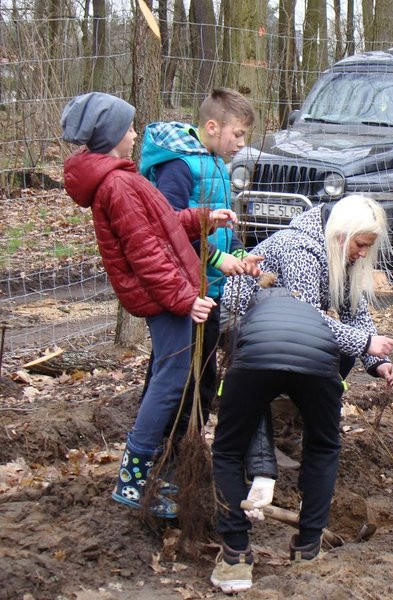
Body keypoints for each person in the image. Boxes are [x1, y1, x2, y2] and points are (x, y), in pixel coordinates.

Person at [61, 92, 237, 517]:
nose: (135, 133)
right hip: (167, 298)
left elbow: (161, 223)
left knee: (170, 376)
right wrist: (184, 299)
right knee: (170, 380)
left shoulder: (122, 178)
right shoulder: (119, 185)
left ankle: (146, 473)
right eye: (128, 127)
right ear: (110, 135)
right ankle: (134, 477)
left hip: (170, 294)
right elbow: (147, 255)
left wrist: (203, 218)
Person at [222, 194, 393, 521]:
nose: (363, 254)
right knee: (307, 356)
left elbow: (355, 314)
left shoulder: (342, 256)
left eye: (367, 248)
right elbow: (307, 320)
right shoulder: (300, 250)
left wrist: (377, 360)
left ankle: (289, 418)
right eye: (360, 245)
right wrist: (365, 342)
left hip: (287, 331)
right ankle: (264, 453)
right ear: (341, 235)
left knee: (344, 348)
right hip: (244, 328)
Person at [139, 88, 262, 443]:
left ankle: (187, 443)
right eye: (237, 134)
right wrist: (214, 258)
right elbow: (168, 229)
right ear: (212, 126)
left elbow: (220, 226)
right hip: (184, 291)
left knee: (205, 373)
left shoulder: (216, 165)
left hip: (209, 288)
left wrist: (237, 254)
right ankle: (167, 448)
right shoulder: (180, 165)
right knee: (181, 375)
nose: (241, 143)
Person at [209, 284, 344, 593]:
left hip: (257, 359)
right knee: (324, 446)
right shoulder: (313, 314)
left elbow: (251, 410)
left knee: (228, 449)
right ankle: (309, 547)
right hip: (318, 361)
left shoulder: (247, 318)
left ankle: (235, 557)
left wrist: (259, 468)